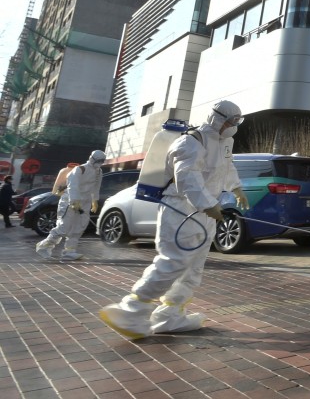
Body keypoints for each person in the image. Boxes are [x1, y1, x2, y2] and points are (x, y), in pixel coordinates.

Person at [98, 100, 249, 339]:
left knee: (193, 267)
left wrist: (237, 189)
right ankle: (132, 309)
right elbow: (187, 177)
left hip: (204, 212)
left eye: (237, 122)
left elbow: (226, 169)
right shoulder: (190, 142)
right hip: (179, 209)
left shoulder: (224, 144)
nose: (234, 126)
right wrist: (208, 205)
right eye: (231, 121)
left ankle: (170, 314)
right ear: (218, 119)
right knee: (174, 261)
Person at [35, 151, 105, 260]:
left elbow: (96, 187)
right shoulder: (80, 169)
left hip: (85, 201)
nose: (99, 163)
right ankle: (44, 246)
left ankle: (69, 251)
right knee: (64, 227)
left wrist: (94, 201)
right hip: (69, 201)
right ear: (92, 159)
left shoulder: (99, 172)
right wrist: (74, 201)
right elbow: (73, 185)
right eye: (98, 160)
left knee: (79, 226)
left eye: (102, 161)